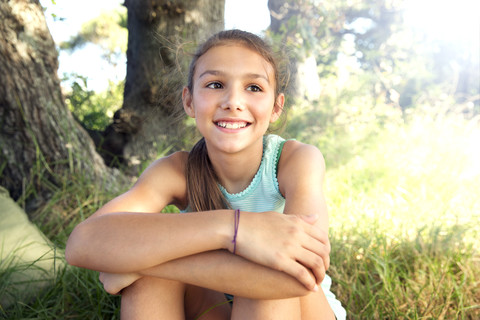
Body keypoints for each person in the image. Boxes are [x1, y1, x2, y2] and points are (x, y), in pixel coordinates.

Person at [65, 29, 346, 320]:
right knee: (150, 282)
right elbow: (82, 243)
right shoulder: (176, 171)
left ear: (276, 106)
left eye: (254, 88)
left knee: (263, 291)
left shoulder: (295, 161)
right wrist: (237, 229)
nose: (233, 101)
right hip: (222, 307)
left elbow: (297, 278)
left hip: (297, 308)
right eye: (215, 84)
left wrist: (142, 262)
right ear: (189, 101)